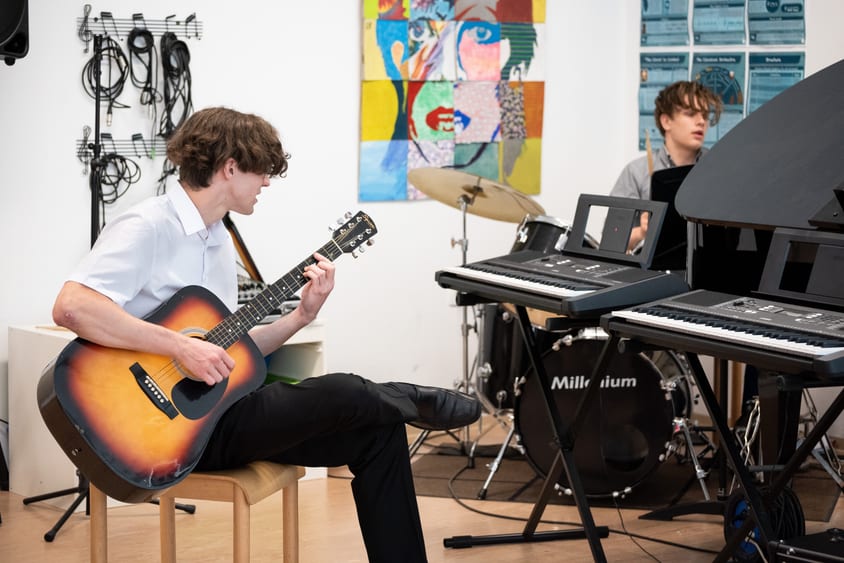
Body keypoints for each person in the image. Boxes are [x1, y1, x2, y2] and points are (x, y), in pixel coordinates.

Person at [51, 106, 481, 562]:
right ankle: (412, 398)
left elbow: (227, 352)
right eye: (262, 171)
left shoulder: (217, 240)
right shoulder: (148, 226)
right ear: (230, 167)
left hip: (218, 414)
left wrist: (299, 318)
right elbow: (71, 306)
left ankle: (400, 417)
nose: (268, 183)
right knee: (343, 390)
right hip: (167, 433)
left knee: (381, 431)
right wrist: (178, 346)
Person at [610, 80, 722, 250]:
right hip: (655, 272)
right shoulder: (637, 172)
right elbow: (611, 238)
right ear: (666, 121)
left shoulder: (718, 168)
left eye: (705, 115)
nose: (701, 121)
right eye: (691, 113)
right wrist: (642, 231)